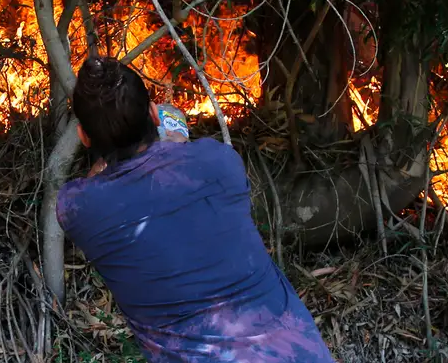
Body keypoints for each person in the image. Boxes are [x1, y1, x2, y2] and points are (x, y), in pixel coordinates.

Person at [56, 56, 335, 363]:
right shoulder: (221, 162)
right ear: (153, 114)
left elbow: (101, 185)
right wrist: (172, 145)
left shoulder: (78, 209)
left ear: (84, 136)